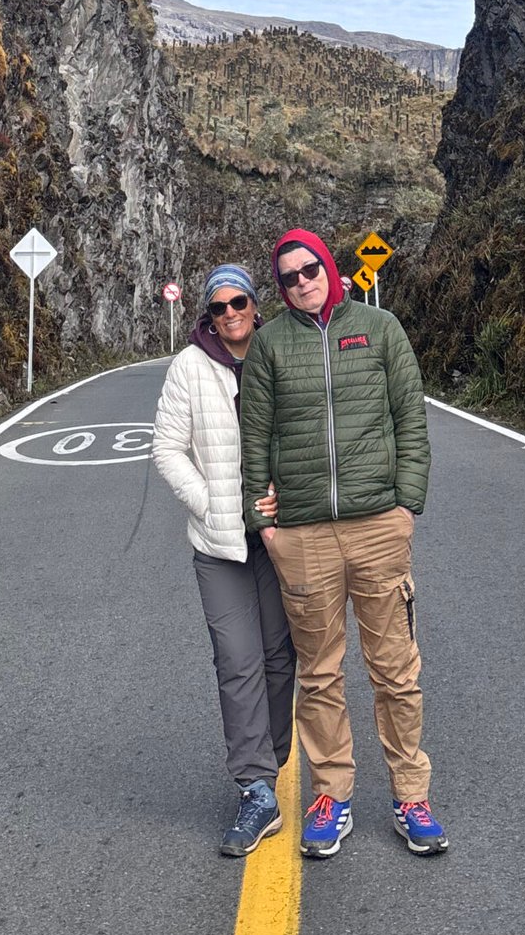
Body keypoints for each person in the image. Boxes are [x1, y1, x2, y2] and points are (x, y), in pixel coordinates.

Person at [239, 228, 447, 859]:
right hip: (302, 535)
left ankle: (411, 795)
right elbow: (256, 437)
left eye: (310, 270)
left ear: (329, 266)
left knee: (396, 671)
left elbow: (411, 417)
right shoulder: (270, 344)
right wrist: (265, 525)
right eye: (288, 278)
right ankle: (332, 795)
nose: (302, 282)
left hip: (378, 526)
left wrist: (408, 504)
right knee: (320, 675)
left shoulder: (381, 330)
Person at [152, 263, 296, 857]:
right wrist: (209, 503)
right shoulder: (189, 365)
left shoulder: (280, 352)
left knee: (281, 656)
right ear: (207, 314)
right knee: (237, 661)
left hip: (279, 535)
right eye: (219, 307)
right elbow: (167, 447)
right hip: (219, 544)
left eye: (240, 303)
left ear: (255, 305)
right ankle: (256, 785)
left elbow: (308, 431)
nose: (231, 314)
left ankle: (274, 756)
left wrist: (291, 492)